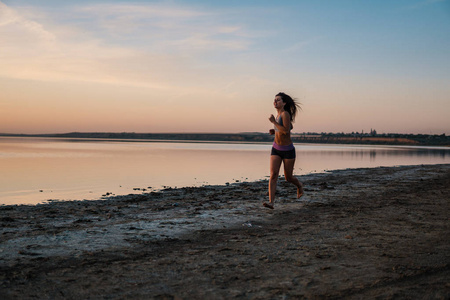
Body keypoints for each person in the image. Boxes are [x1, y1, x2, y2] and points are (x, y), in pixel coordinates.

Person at [263, 92, 304, 209]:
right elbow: (288, 127)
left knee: (288, 178)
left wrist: (274, 123)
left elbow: (286, 131)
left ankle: (299, 185)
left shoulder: (284, 114)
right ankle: (271, 202)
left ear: (284, 103)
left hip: (288, 150)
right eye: (274, 100)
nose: (275, 102)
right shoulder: (278, 115)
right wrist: (274, 130)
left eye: (278, 100)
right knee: (273, 175)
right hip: (276, 148)